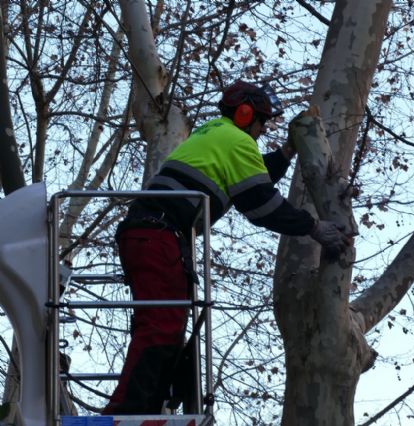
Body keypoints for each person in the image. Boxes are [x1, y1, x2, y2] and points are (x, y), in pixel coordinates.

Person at [102, 80, 350, 414]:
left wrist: (287, 152)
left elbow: (253, 178)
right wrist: (315, 228)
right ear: (246, 115)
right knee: (161, 322)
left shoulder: (212, 134)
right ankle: (126, 412)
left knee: (165, 320)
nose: (261, 131)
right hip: (159, 235)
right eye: (261, 122)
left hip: (149, 233)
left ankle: (147, 404)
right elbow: (260, 203)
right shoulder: (236, 140)